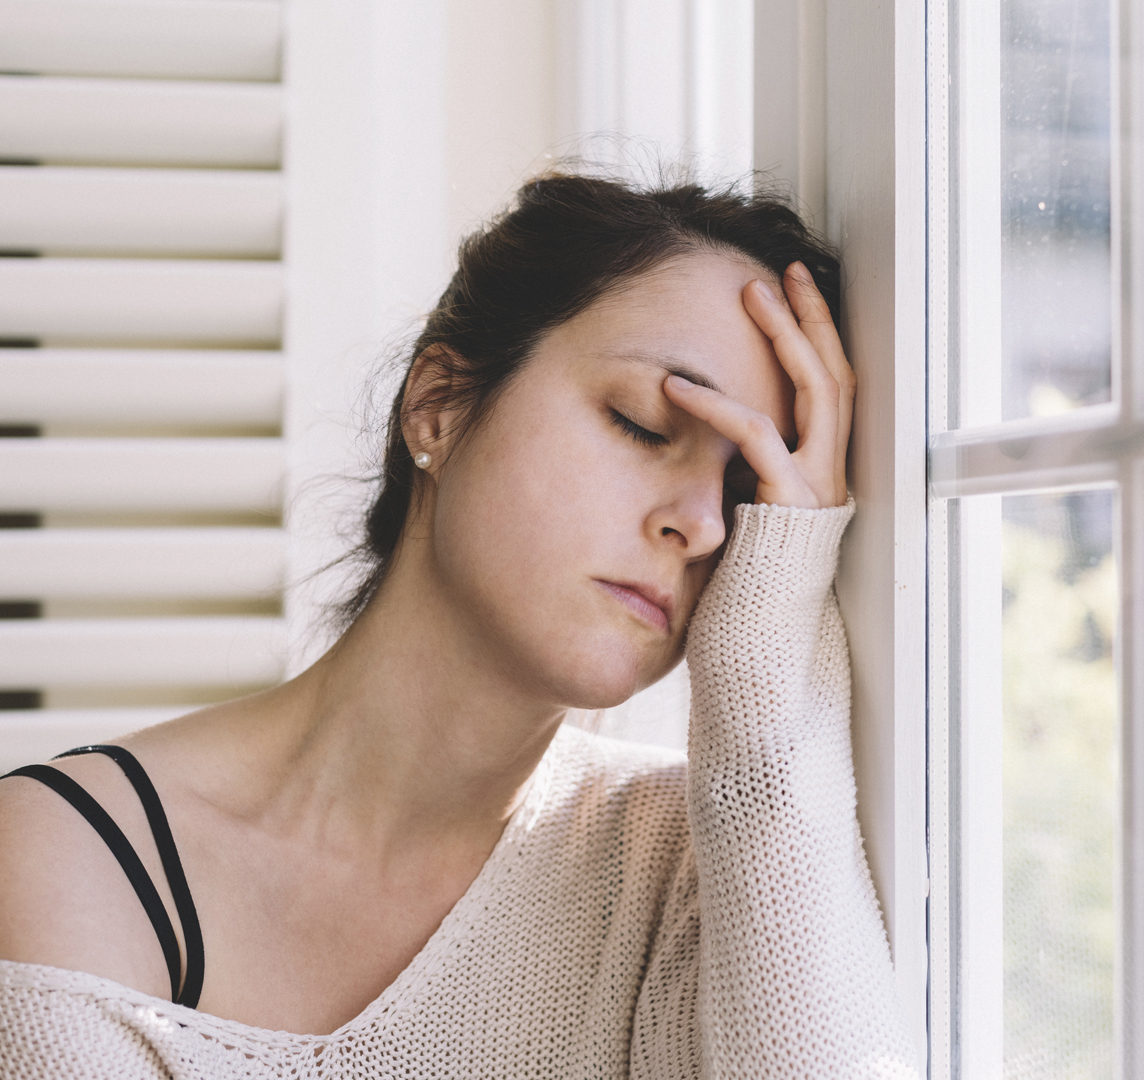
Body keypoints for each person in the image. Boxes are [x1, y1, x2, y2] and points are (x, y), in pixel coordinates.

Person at [0, 174, 920, 1078]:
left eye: (744, 493)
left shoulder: (704, 871)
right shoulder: (69, 858)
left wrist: (766, 653)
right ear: (437, 404)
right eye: (642, 424)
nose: (705, 527)